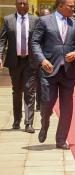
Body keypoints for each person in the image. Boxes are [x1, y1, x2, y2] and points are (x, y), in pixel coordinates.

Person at [31, 0, 75, 150]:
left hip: (68, 72)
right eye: (71, 6)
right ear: (61, 6)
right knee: (47, 102)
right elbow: (35, 43)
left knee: (67, 108)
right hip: (49, 70)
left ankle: (61, 139)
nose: (74, 8)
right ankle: (45, 123)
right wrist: (42, 60)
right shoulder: (44, 21)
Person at [0, 0, 38, 133]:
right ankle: (17, 120)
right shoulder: (8, 19)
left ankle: (29, 123)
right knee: (17, 91)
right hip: (14, 61)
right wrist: (0, 56)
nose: (22, 6)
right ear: (16, 5)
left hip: (30, 61)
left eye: (25, 3)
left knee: (29, 90)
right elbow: (2, 40)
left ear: (28, 5)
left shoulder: (35, 20)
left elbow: (40, 40)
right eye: (20, 3)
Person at [35, 8, 51, 112]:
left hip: (50, 59)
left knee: (47, 83)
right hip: (38, 59)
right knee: (39, 83)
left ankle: (46, 103)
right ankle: (39, 104)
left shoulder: (52, 26)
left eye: (48, 15)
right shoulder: (35, 26)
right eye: (44, 15)